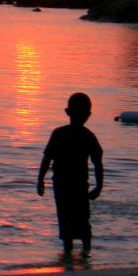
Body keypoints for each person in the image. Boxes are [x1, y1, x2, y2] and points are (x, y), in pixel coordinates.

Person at [37, 92, 104, 256]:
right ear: (88, 115)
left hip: (62, 187)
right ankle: (86, 255)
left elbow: (47, 159)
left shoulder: (59, 133)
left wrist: (40, 180)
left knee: (66, 221)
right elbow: (98, 164)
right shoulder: (88, 136)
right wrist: (99, 187)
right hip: (79, 186)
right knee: (82, 222)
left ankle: (68, 256)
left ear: (67, 112)